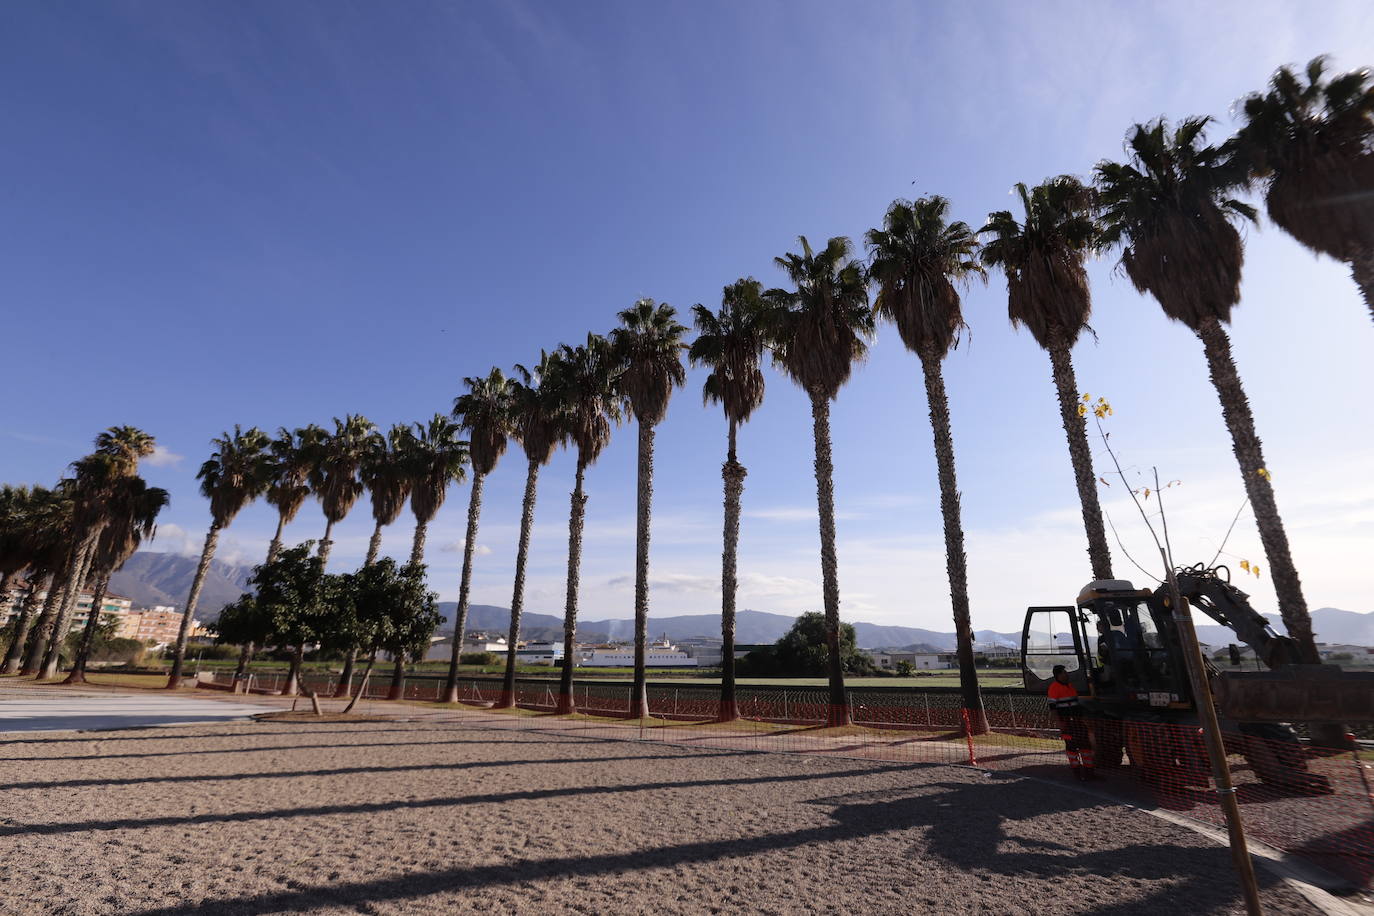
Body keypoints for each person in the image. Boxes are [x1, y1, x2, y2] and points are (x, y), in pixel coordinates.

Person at [1048, 664, 1095, 781]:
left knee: (1085, 746)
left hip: (1078, 722)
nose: (1066, 674)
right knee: (1071, 748)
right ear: (1058, 675)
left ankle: (1089, 773)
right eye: (1064, 673)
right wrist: (1060, 725)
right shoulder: (1054, 688)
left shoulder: (1070, 687)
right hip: (1067, 723)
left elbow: (1076, 705)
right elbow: (1052, 708)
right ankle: (1077, 773)